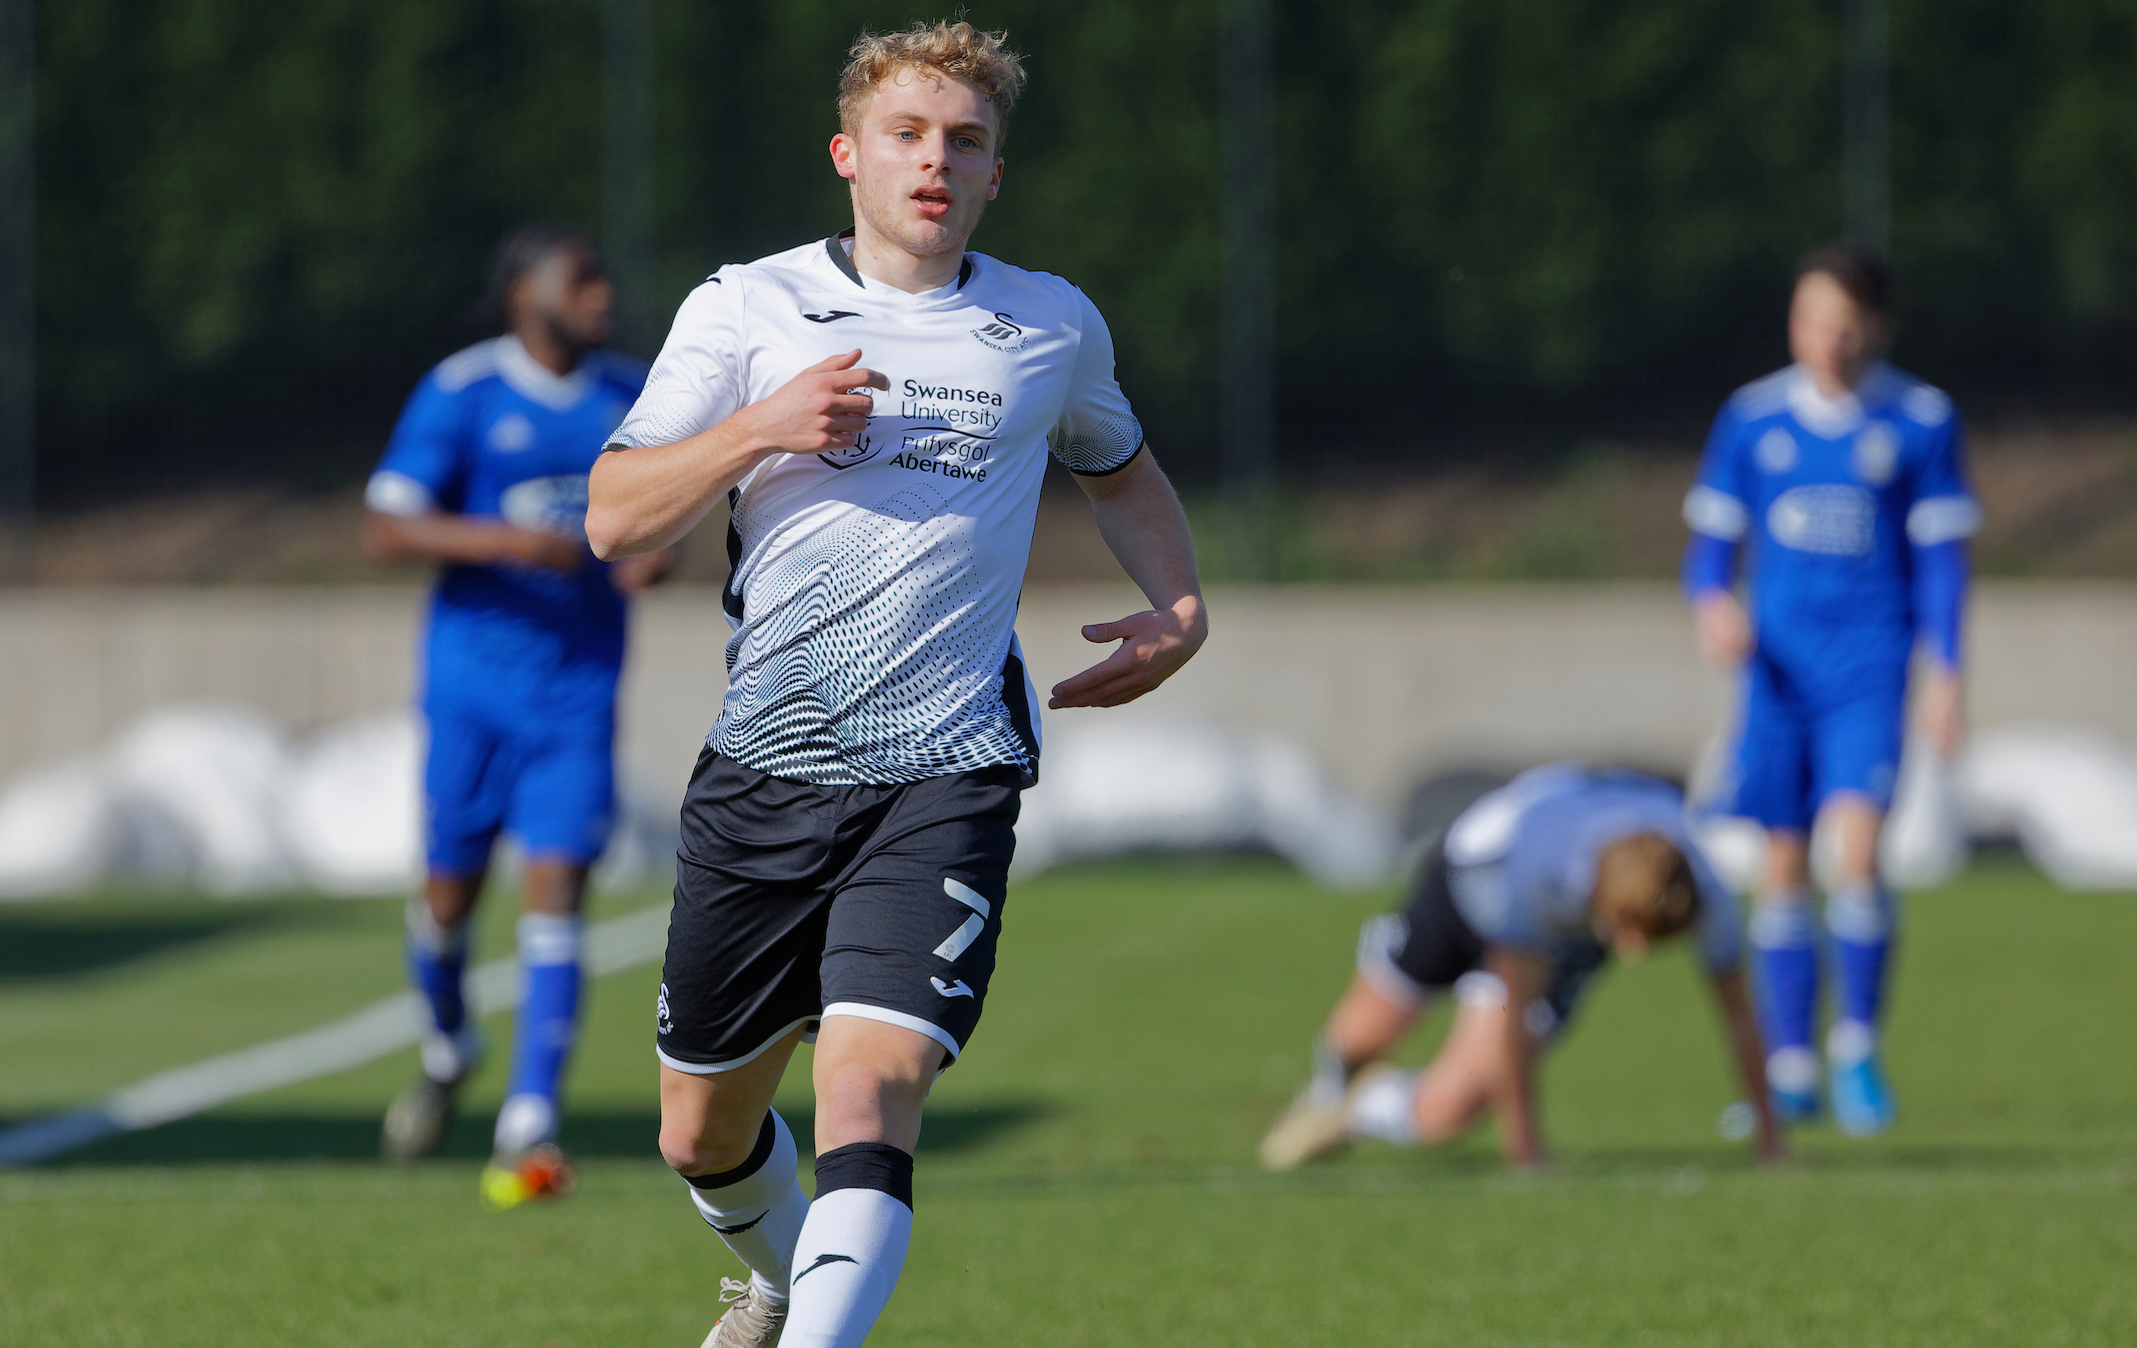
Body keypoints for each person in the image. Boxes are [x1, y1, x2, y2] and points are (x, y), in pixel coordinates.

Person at [585, 22, 1207, 1348]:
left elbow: (1125, 471)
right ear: (848, 158)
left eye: (965, 142)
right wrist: (761, 426)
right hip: (762, 773)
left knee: (871, 1089)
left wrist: (1182, 605)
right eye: (909, 136)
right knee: (700, 1134)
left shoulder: (1049, 323)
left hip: (946, 770)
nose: (936, 161)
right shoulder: (743, 309)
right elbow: (612, 516)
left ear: (996, 175)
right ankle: (773, 1279)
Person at [361, 223, 677, 1207]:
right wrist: (507, 541)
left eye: (601, 279)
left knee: (559, 892)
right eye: (579, 281)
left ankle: (529, 1119)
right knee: (449, 896)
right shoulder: (462, 393)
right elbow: (385, 524)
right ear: (521, 298)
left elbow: (672, 506)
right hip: (469, 695)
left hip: (576, 693)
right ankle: (450, 1040)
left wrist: (655, 549)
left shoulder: (631, 394)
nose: (600, 296)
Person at [1681, 244, 1977, 1136]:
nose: (1828, 341)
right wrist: (1711, 606)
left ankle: (1854, 1048)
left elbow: (1942, 566)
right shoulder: (1754, 418)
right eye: (1812, 321)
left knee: (1854, 854)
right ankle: (1789, 1066)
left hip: (1868, 672)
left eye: (1846, 326)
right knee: (1779, 864)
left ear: (1877, 328)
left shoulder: (1920, 422)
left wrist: (1948, 674)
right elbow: (1709, 548)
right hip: (1776, 676)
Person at [1259, 764, 1785, 1171]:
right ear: (1599, 899)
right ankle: (1331, 1090)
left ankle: (1362, 1107)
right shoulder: (1537, 876)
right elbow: (1512, 1008)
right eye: (1626, 934)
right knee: (1356, 1038)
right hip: (1469, 879)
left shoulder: (1703, 892)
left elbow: (1739, 1013)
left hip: (1565, 933)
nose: (1634, 954)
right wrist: (1525, 1149)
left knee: (1450, 1111)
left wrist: (1770, 1138)